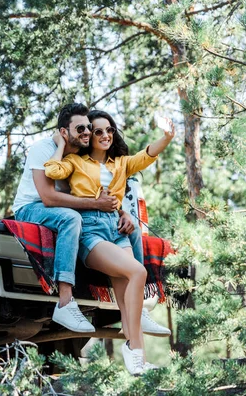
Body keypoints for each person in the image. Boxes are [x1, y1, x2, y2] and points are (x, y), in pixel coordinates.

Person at [44, 109, 175, 375]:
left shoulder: (121, 163)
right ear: (89, 135)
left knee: (127, 292)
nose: (105, 135)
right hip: (91, 230)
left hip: (116, 227)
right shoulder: (76, 162)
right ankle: (132, 347)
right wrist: (60, 145)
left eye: (109, 130)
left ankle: (138, 361)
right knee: (137, 270)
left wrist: (168, 136)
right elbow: (53, 170)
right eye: (98, 131)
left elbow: (147, 154)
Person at [12, 103, 137, 334]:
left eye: (89, 127)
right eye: (80, 128)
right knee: (70, 218)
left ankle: (136, 312)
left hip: (68, 208)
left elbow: (98, 194)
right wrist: (94, 204)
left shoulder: (82, 155)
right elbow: (48, 198)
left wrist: (121, 212)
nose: (87, 133)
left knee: (131, 229)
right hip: (31, 207)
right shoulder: (43, 149)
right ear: (63, 132)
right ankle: (65, 302)